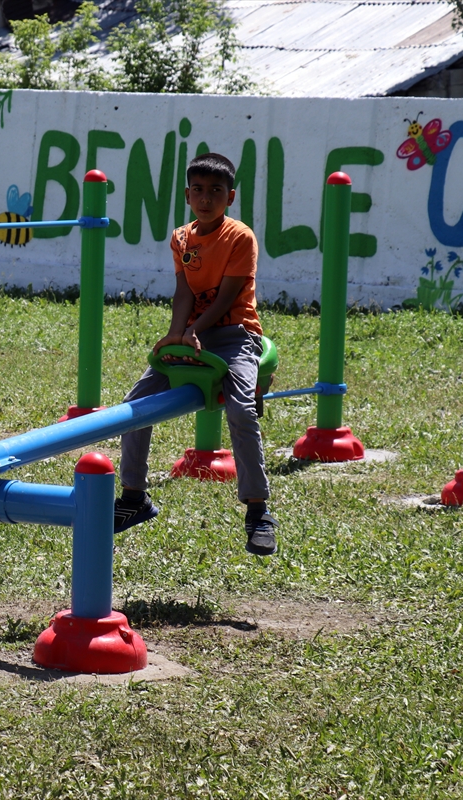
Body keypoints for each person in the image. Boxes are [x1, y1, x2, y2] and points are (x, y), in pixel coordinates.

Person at [114, 153, 278, 557]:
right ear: (188, 195)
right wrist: (175, 334)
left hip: (235, 334)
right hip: (192, 333)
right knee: (133, 405)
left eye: (216, 191)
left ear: (230, 196)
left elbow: (226, 297)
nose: (207, 199)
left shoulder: (240, 237)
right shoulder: (182, 238)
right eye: (199, 191)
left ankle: (258, 510)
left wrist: (193, 330)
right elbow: (185, 290)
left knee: (240, 411)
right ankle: (134, 495)